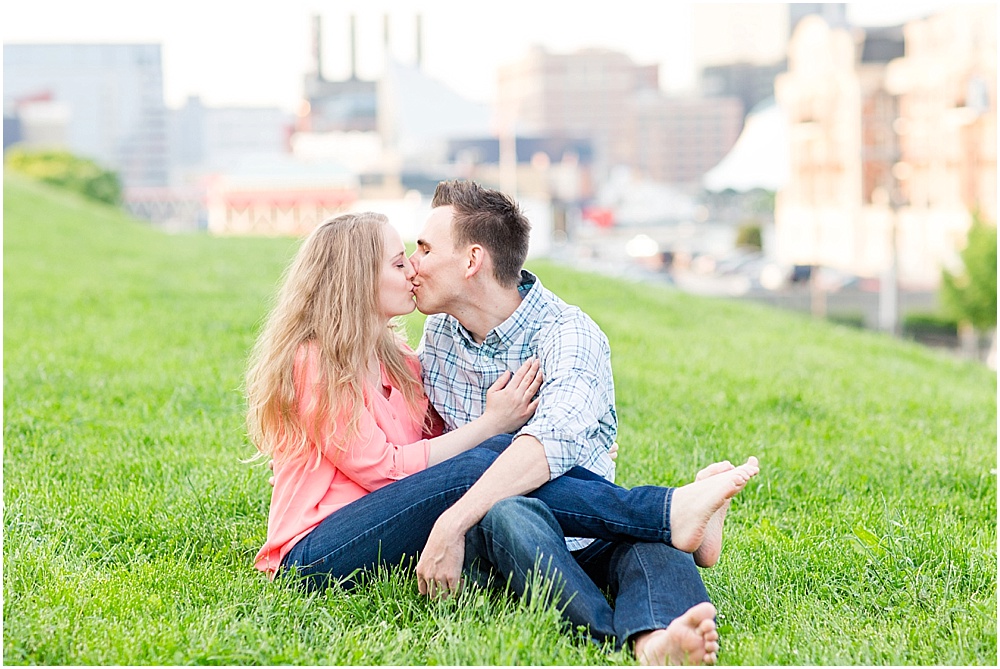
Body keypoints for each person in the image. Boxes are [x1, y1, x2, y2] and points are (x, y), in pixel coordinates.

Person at [247, 211, 759, 614]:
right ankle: (666, 510)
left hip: (388, 530)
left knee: (505, 474)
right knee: (490, 459)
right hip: (313, 553)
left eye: (416, 254)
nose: (412, 269)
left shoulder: (398, 358)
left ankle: (667, 540)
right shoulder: (315, 360)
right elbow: (387, 469)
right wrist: (491, 425)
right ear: (356, 280)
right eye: (398, 261)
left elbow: (430, 444)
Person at [411, 180, 760, 665]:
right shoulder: (440, 335)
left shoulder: (570, 334)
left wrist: (450, 522)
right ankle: (609, 635)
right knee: (510, 511)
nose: (413, 264)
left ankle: (656, 640)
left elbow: (550, 443)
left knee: (653, 544)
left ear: (471, 262)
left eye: (425, 249)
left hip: (593, 528)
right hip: (509, 530)